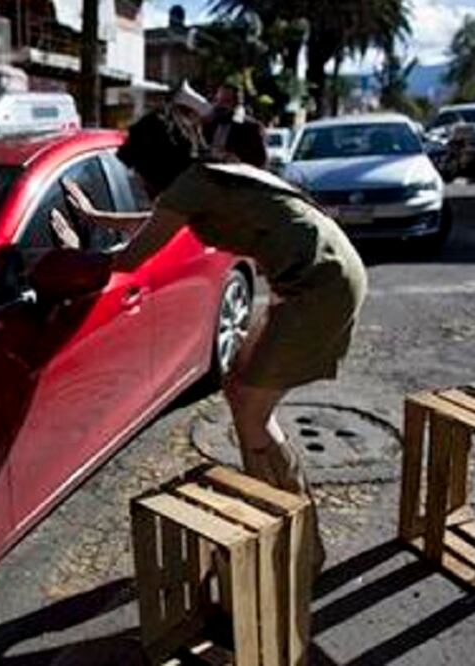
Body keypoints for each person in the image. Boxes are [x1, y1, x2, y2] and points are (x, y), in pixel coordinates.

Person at [58, 109, 368, 567]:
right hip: (322, 273)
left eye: (139, 171)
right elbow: (159, 219)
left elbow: (130, 259)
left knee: (251, 413)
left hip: (317, 287)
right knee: (239, 389)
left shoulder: (191, 185)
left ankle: (297, 542)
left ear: (154, 165)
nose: (139, 180)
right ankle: (279, 519)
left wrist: (73, 253)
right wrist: (96, 216)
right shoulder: (202, 175)